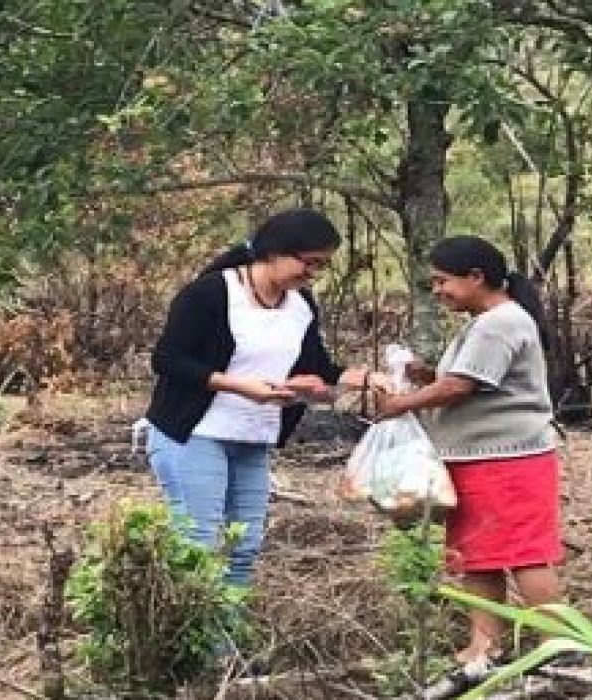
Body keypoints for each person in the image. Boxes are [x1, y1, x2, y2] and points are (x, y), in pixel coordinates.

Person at [144, 208, 387, 596]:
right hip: (195, 432)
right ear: (274, 252)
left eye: (320, 266)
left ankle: (226, 647)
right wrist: (240, 387)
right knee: (199, 545)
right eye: (308, 263)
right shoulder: (211, 293)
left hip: (253, 436)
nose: (312, 274)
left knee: (244, 548)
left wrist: (366, 380)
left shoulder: (300, 305)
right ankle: (190, 648)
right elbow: (168, 360)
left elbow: (317, 366)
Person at [369, 235, 563, 686]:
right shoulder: (484, 322)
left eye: (443, 281)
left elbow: (461, 387)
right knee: (478, 556)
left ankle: (562, 644)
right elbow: (465, 378)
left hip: (508, 460)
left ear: (477, 277)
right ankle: (485, 646)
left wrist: (402, 403)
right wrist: (426, 376)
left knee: (525, 554)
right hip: (480, 458)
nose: (436, 290)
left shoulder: (499, 323)